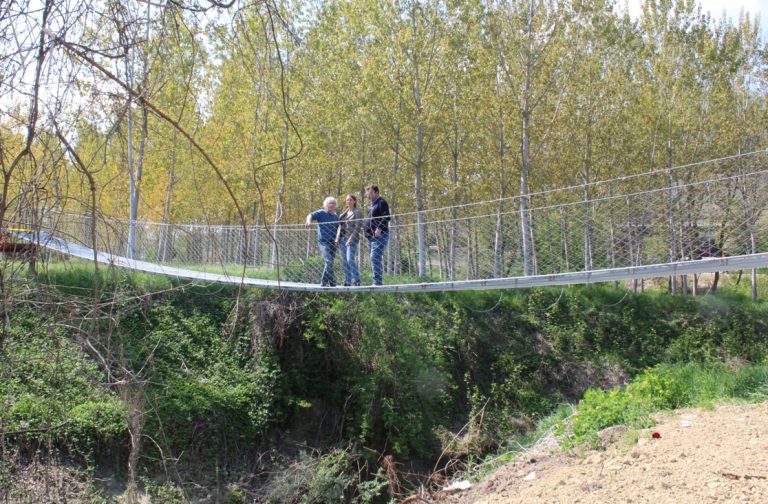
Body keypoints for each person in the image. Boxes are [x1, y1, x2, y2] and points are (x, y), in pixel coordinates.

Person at [305, 197, 340, 287]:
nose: (331, 205)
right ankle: (329, 282)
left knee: (330, 263)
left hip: (333, 242)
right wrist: (308, 221)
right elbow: (310, 215)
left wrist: (337, 239)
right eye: (329, 203)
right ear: (326, 205)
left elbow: (338, 229)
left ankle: (327, 283)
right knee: (328, 261)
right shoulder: (321, 213)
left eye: (333, 203)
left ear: (335, 206)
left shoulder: (336, 217)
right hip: (324, 242)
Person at [364, 185, 390, 286]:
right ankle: (376, 281)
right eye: (368, 193)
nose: (369, 195)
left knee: (374, 257)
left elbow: (386, 216)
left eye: (371, 193)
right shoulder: (372, 205)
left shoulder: (381, 202)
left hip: (380, 235)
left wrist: (379, 228)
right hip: (372, 237)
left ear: (377, 193)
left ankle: (377, 282)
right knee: (375, 257)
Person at [335, 194, 362, 286]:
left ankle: (357, 280)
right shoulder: (344, 213)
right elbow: (340, 226)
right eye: (347, 200)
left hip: (352, 239)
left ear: (354, 201)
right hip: (342, 239)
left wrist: (350, 239)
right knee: (344, 261)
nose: (348, 202)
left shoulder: (357, 212)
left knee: (350, 259)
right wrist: (337, 238)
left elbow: (357, 227)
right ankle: (347, 281)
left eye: (350, 200)